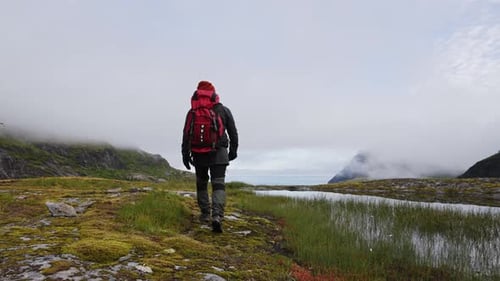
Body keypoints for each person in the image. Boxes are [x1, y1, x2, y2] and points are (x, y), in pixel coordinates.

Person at [181, 80, 238, 233]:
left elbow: (186, 134)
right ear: (213, 94)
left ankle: (205, 214)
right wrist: (233, 151)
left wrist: (185, 155)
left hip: (198, 154)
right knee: (218, 184)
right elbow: (233, 133)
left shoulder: (192, 112)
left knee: (201, 184)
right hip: (219, 153)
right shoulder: (223, 110)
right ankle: (217, 216)